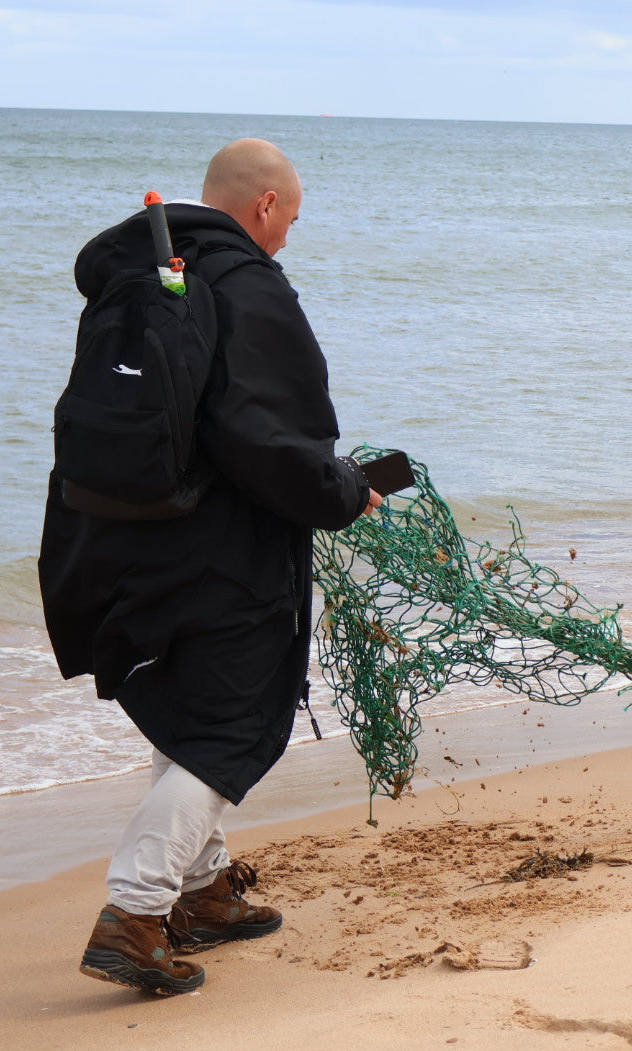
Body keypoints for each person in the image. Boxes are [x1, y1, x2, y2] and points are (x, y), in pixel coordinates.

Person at [39, 139, 381, 995]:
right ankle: (136, 914)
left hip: (117, 537)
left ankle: (203, 891)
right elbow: (264, 436)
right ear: (265, 205)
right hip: (219, 550)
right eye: (291, 221)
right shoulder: (246, 282)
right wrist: (343, 493)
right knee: (234, 729)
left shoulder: (145, 271)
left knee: (191, 710)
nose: (289, 240)